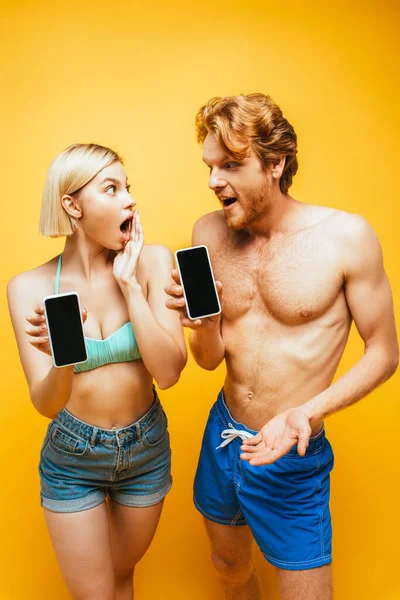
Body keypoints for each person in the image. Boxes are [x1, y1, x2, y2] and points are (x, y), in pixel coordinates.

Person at [165, 94, 398, 600]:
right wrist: (202, 327)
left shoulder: (347, 237)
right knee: (226, 564)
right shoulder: (206, 233)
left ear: (276, 163)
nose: (213, 181)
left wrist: (309, 414)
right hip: (223, 435)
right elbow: (208, 360)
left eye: (231, 164)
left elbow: (384, 351)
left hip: (293, 447)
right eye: (209, 166)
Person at [7, 143, 187, 600]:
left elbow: (168, 372)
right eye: (111, 188)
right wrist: (63, 358)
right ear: (72, 205)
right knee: (95, 594)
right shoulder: (28, 287)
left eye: (128, 188)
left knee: (120, 581)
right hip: (74, 457)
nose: (130, 199)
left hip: (145, 451)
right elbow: (47, 404)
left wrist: (130, 288)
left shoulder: (151, 262)